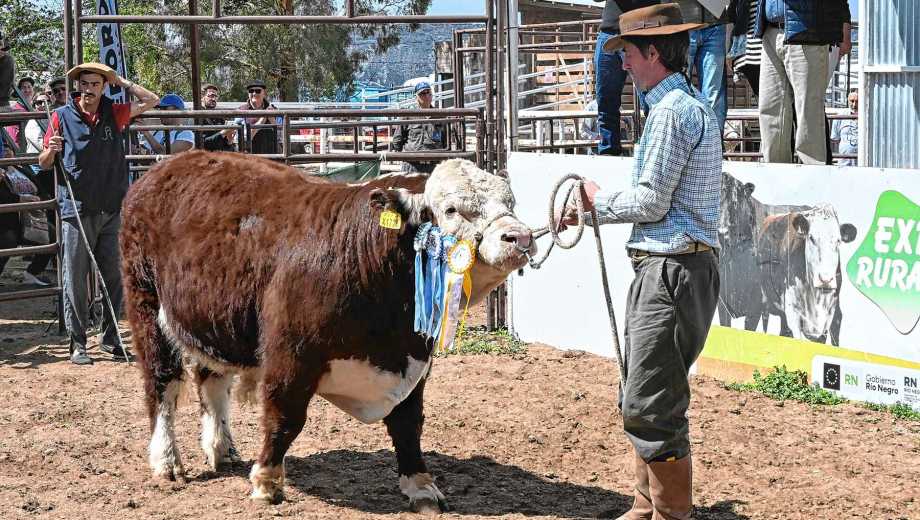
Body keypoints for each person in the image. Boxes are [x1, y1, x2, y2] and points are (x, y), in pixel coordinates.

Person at [559, 5, 721, 519]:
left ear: (653, 52)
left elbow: (651, 202)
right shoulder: (678, 107)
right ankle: (647, 503)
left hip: (671, 268)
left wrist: (592, 206)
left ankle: (670, 512)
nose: (623, 63)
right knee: (647, 389)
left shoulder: (671, 113)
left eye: (627, 53)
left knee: (649, 399)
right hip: (673, 266)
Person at [38, 63, 159, 365]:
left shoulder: (114, 113)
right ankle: (77, 342)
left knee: (115, 277)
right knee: (75, 278)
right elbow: (43, 163)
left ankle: (110, 337)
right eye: (84, 84)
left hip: (111, 208)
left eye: (96, 84)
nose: (89, 89)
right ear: (77, 87)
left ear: (104, 86)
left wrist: (122, 81)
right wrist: (51, 150)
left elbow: (152, 100)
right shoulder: (61, 117)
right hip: (76, 209)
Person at [755, 0, 852, 164]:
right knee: (770, 110)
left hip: (807, 31)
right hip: (770, 30)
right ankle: (774, 178)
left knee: (809, 111)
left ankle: (813, 179)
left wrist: (845, 28)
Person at [591, 0, 660, 156]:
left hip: (643, 30)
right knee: (606, 100)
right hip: (611, 30)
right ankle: (608, 154)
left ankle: (655, 152)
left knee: (651, 99)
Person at [677, 0, 733, 129]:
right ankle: (680, 143)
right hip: (682, 23)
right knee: (679, 89)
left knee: (714, 93)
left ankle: (713, 144)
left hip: (715, 22)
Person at [390, 81, 450, 174]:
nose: (426, 96)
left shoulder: (440, 116)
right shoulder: (408, 115)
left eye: (428, 93)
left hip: (434, 165)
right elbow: (397, 140)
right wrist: (406, 156)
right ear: (416, 97)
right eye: (422, 93)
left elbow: (446, 139)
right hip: (412, 164)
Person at [236, 80, 280, 154]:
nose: (254, 93)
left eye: (258, 91)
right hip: (250, 157)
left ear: (264, 93)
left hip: (271, 155)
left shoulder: (275, 110)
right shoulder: (241, 111)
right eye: (251, 91)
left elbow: (281, 137)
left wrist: (272, 120)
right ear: (248, 94)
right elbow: (243, 139)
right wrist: (262, 120)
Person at [200, 83, 235, 152]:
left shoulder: (219, 118)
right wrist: (223, 133)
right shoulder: (197, 116)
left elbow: (228, 149)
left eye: (216, 96)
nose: (214, 99)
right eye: (211, 96)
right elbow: (201, 143)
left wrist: (229, 141)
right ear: (202, 97)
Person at [830, 90, 858, 167]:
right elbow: (835, 139)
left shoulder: (867, 116)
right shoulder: (841, 115)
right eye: (852, 101)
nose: (854, 104)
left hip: (862, 161)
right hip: (844, 162)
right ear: (848, 101)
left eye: (857, 101)